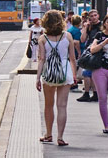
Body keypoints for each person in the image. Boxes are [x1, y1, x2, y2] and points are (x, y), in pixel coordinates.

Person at [36, 10, 77, 146]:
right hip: (65, 73)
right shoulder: (68, 36)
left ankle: (48, 135)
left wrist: (37, 78)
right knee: (62, 106)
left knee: (48, 105)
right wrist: (74, 75)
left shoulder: (42, 38)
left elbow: (42, 59)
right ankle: (60, 137)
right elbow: (72, 58)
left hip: (49, 74)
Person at [77, 9, 101, 102]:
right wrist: (85, 28)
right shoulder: (89, 26)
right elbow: (82, 40)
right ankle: (91, 93)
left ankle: (91, 93)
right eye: (91, 16)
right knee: (87, 73)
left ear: (98, 16)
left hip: (98, 51)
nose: (94, 17)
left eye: (95, 15)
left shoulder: (102, 26)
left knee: (89, 73)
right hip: (89, 51)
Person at [67, 15, 82, 90]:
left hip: (69, 50)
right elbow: (76, 42)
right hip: (74, 52)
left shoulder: (70, 29)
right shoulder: (76, 30)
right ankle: (73, 84)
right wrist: (79, 52)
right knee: (74, 67)